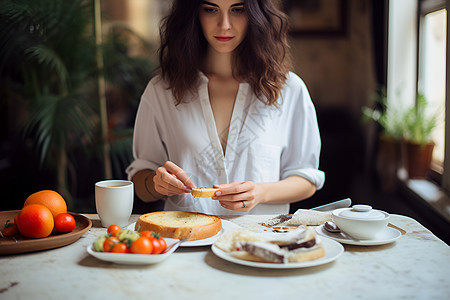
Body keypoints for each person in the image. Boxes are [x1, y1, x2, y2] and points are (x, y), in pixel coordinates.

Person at [126, 0, 324, 215]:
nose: (224, 24)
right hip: (187, 242)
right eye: (211, 10)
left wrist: (261, 192)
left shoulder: (289, 90)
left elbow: (307, 178)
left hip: (263, 241)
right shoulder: (161, 90)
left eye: (238, 10)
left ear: (256, 15)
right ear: (194, 14)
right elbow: (140, 179)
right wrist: (157, 184)